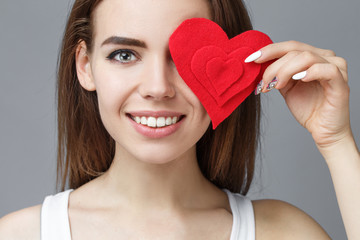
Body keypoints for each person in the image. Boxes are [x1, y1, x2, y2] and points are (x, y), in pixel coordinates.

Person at [0, 0, 359, 239]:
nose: (158, 88)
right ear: (85, 66)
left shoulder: (284, 233)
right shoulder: (21, 234)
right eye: (124, 55)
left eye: (183, 57)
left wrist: (337, 142)